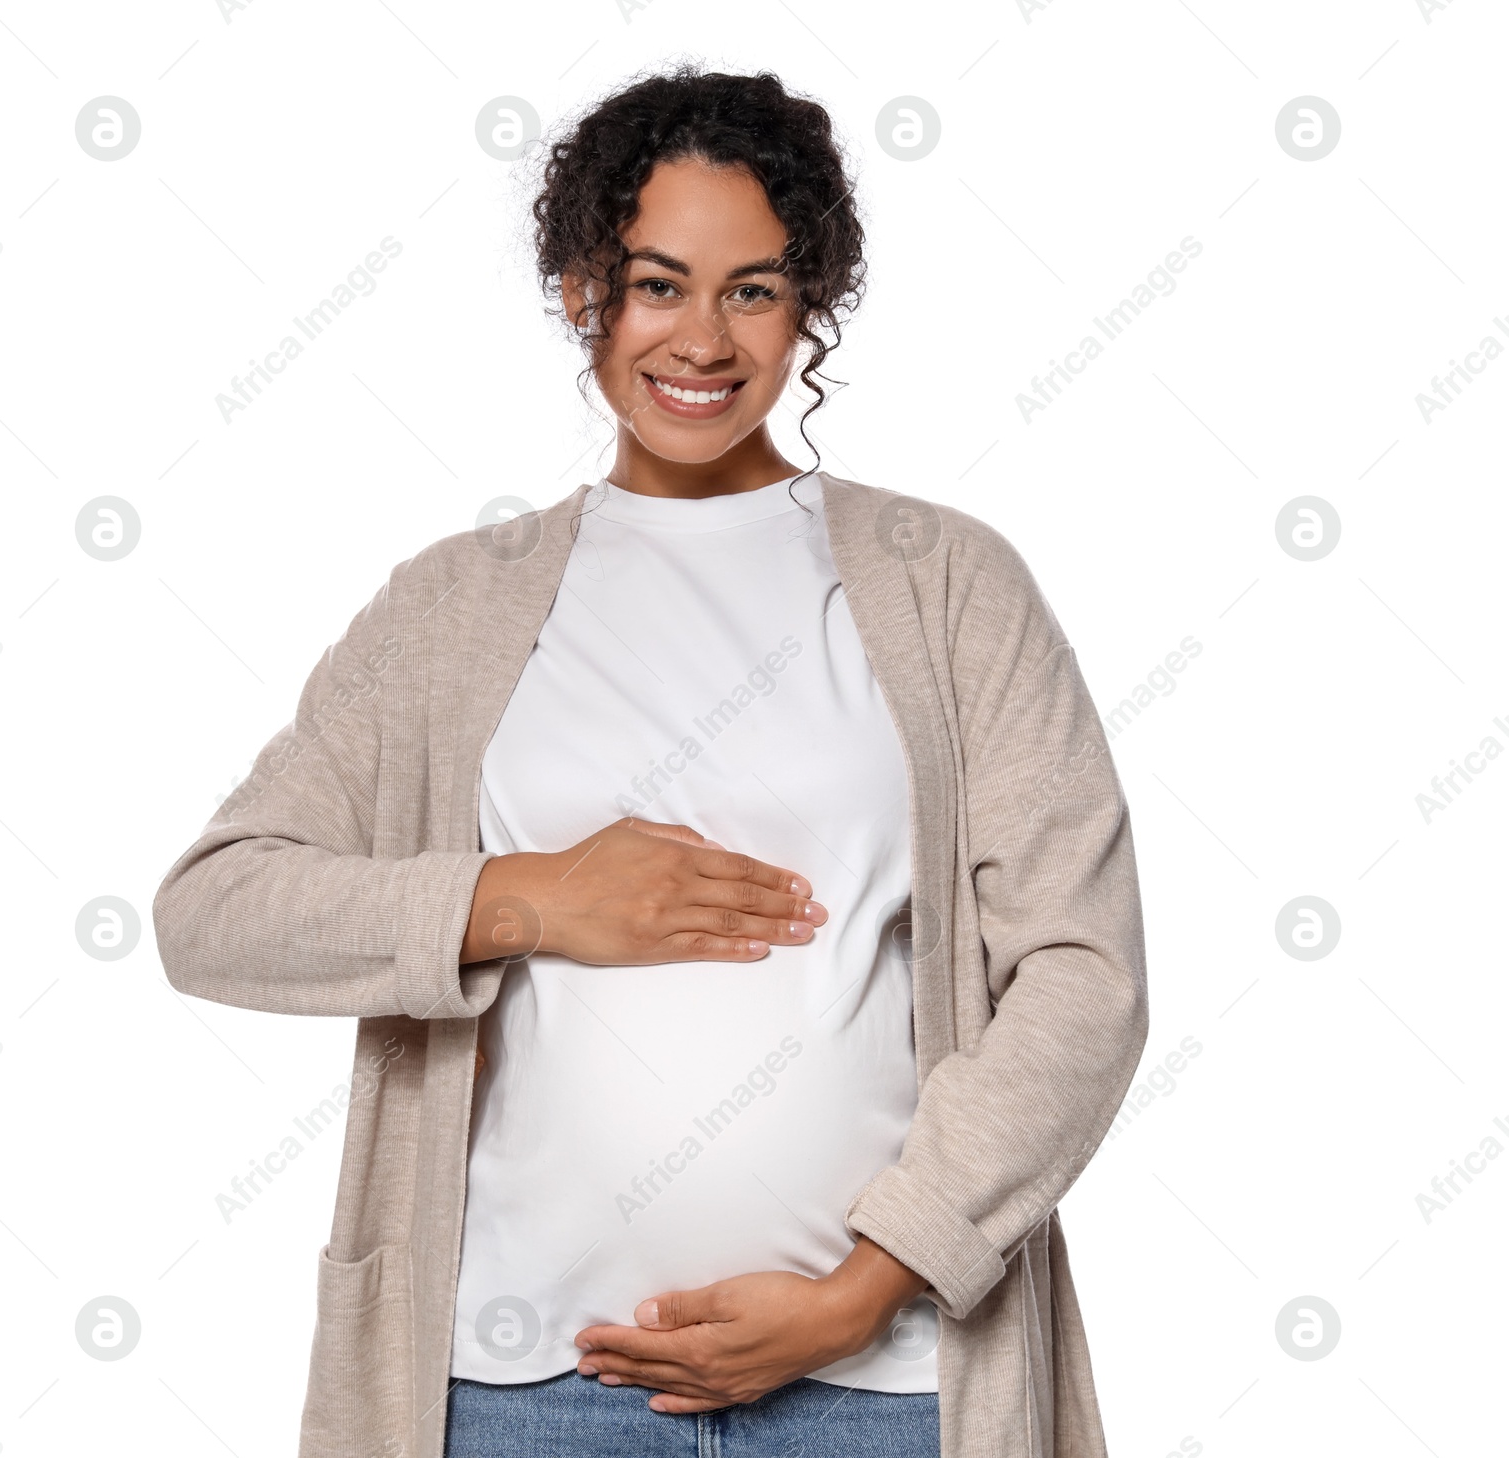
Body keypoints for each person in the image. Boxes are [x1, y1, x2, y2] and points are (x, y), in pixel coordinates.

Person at [153, 63, 1149, 1458]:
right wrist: (530, 897)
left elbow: (1082, 976)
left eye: (754, 287)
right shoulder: (456, 606)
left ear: (810, 307)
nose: (704, 338)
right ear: (582, 292)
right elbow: (215, 910)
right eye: (658, 283)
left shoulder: (948, 586)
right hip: (516, 1387)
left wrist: (865, 1287)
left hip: (880, 1385)